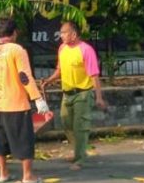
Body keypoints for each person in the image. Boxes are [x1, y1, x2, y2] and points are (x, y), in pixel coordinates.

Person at [0, 19, 49, 183]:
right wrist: (38, 99)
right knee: (24, 139)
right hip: (16, 103)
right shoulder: (17, 50)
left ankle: (3, 173)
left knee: (0, 140)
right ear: (14, 33)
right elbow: (24, 76)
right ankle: (28, 176)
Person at [41, 21, 108, 171]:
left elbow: (94, 76)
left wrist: (98, 97)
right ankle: (78, 150)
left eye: (64, 33)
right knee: (66, 122)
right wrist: (49, 81)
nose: (62, 36)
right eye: (61, 33)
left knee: (80, 126)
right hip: (67, 93)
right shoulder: (62, 48)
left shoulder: (86, 50)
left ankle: (80, 158)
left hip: (83, 93)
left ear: (74, 34)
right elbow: (60, 70)